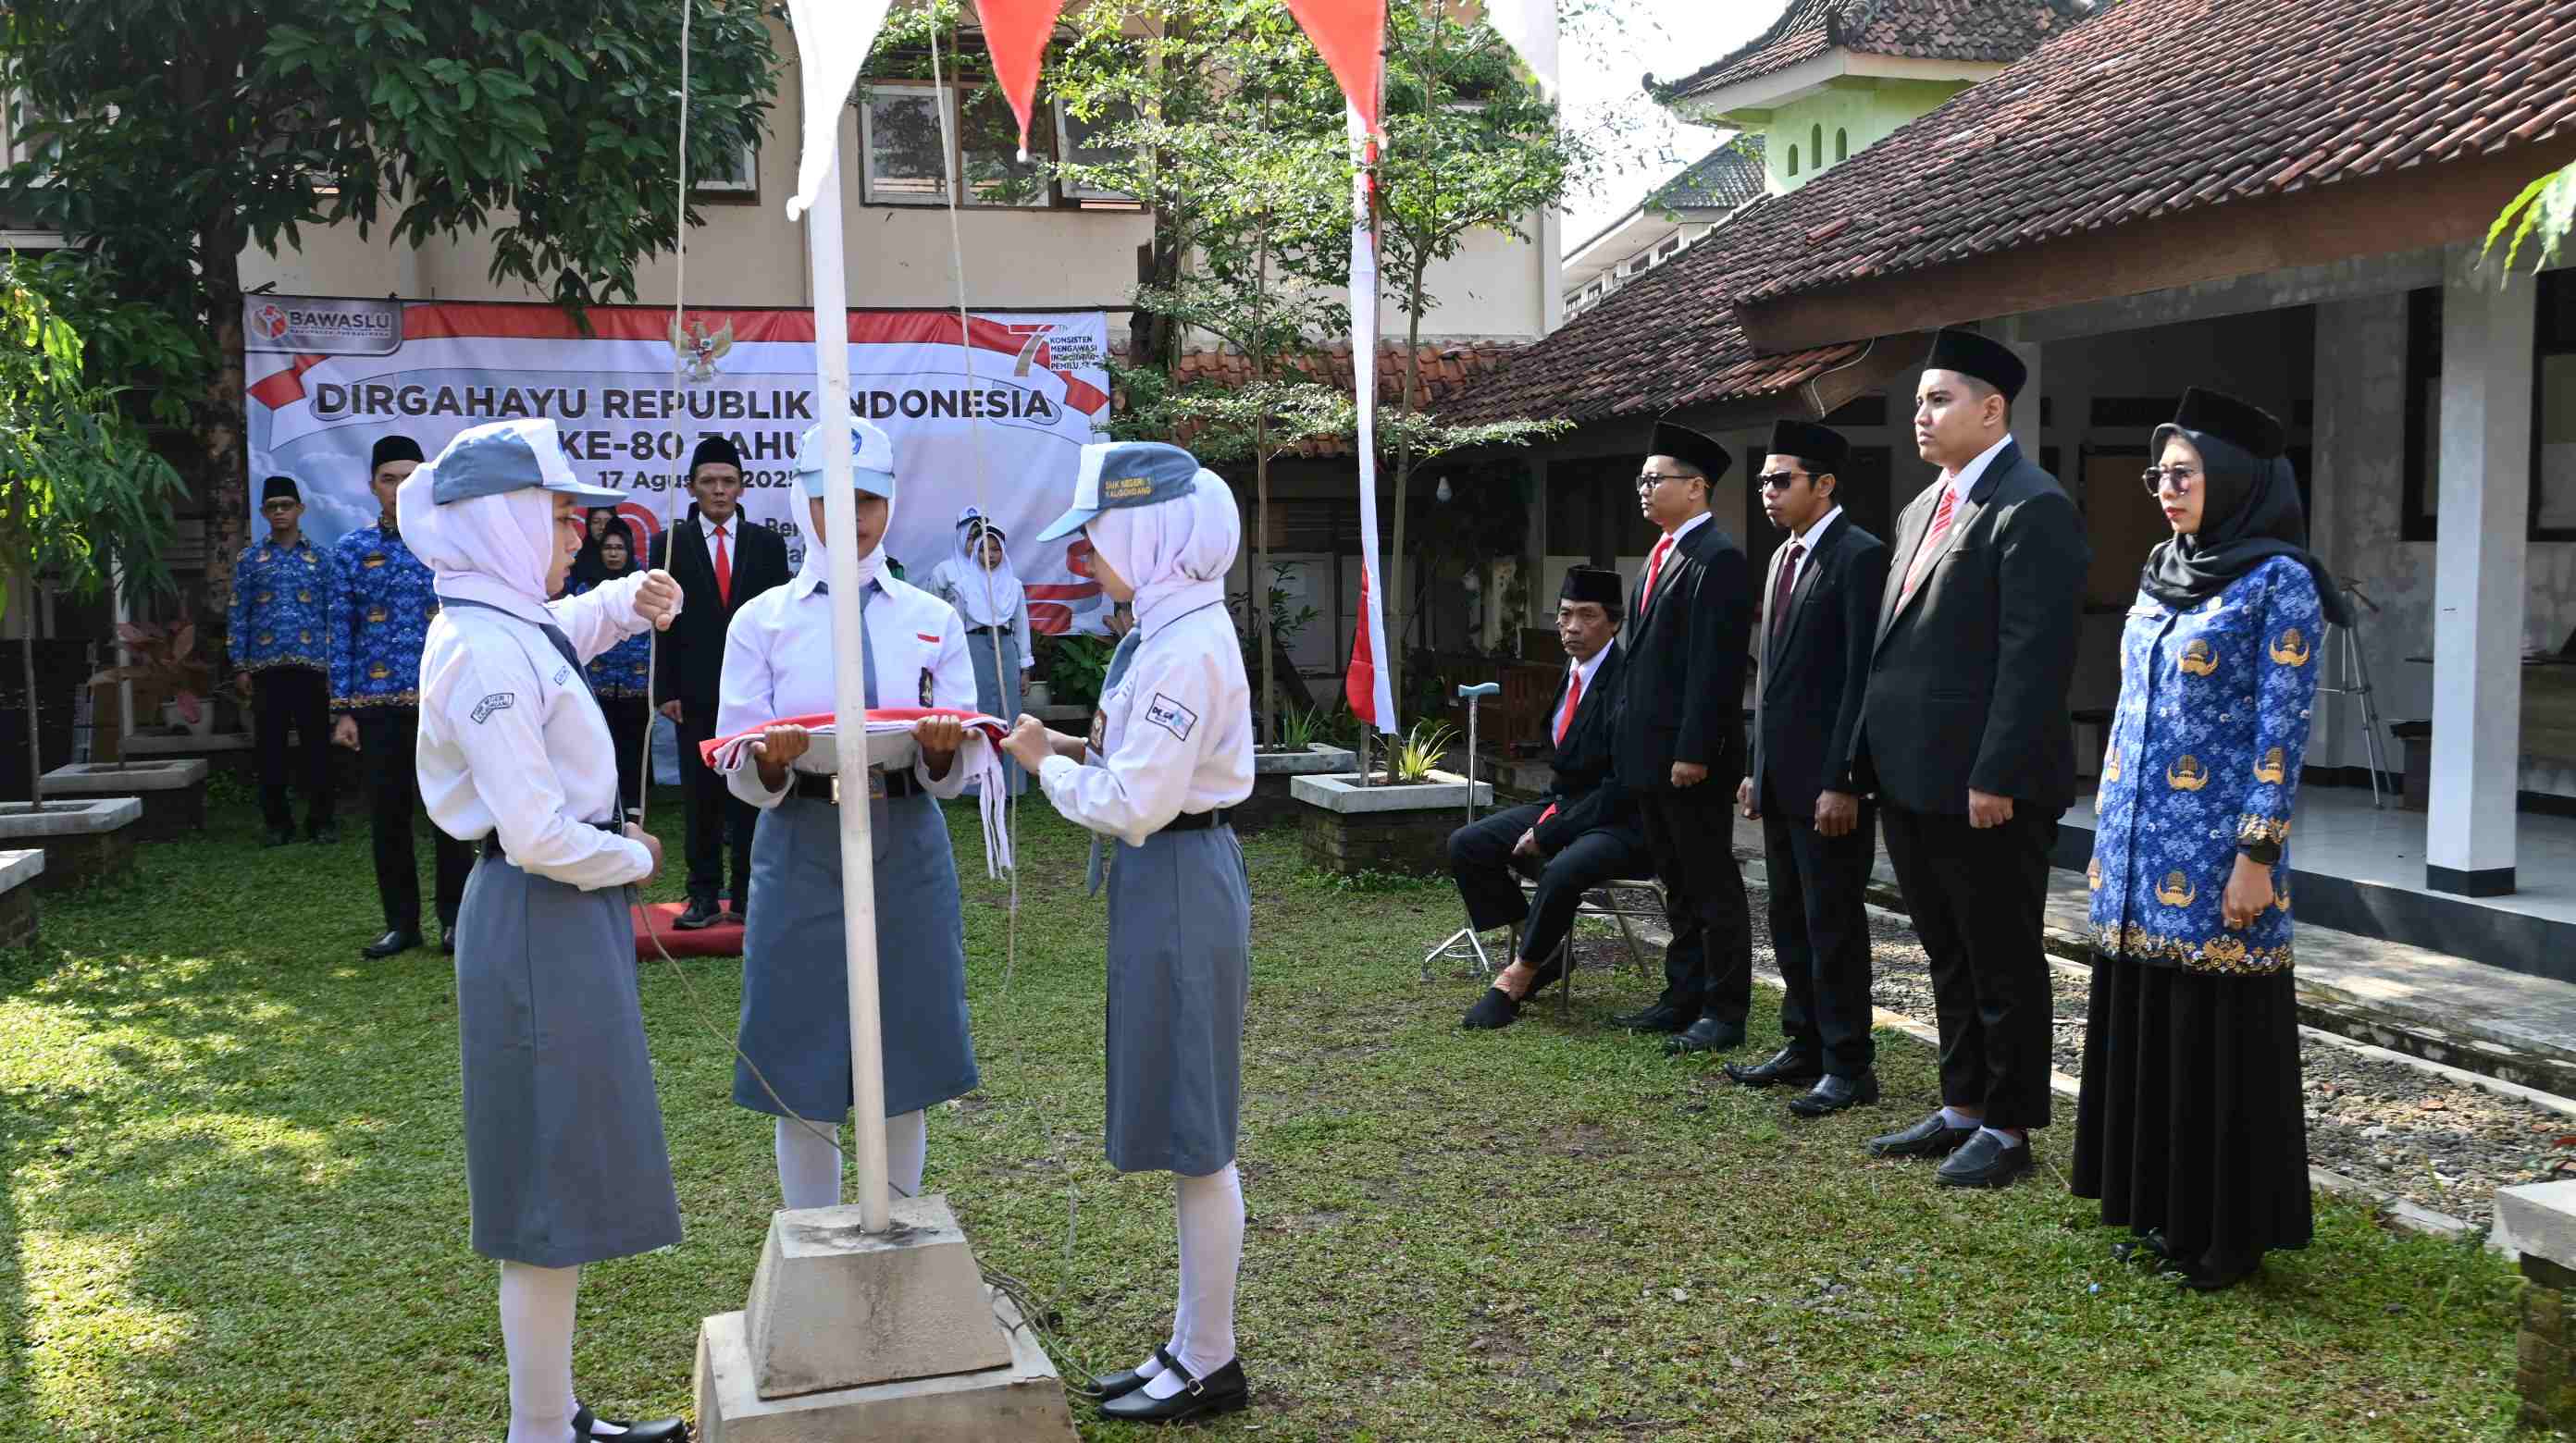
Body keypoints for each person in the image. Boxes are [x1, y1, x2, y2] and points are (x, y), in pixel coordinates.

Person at [402, 417, 688, 1443]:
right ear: (506, 522)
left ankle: (555, 1415)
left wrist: (629, 596)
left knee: (561, 1169)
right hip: (541, 906)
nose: (577, 533)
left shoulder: (504, 618)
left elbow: (568, 632)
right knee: (542, 1185)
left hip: (559, 913)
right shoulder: (480, 645)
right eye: (560, 516)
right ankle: (539, 1429)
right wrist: (635, 860)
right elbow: (534, 832)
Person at [999, 440, 1255, 1425]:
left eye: (1096, 540)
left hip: (1178, 872)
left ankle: (1210, 1358)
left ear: (1146, 533)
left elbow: (1136, 801)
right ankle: (1192, 1345)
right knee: (1185, 1123)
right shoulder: (1164, 629)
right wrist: (1066, 744)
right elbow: (1140, 757)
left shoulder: (1184, 643)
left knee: (1198, 1134)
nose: (1085, 562)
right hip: (1169, 877)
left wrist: (1041, 766)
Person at [2074, 388, 2339, 1290]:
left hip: (2221, 864)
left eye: (2181, 474)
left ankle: (2227, 1238)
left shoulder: (2280, 583)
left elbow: (2283, 728)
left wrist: (2257, 855)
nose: (2163, 489)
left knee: (2214, 1047)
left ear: (2229, 480)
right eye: (2158, 474)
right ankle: (2163, 1217)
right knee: (2155, 1037)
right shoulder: (2164, 567)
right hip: (2140, 856)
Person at [714, 419, 981, 1214]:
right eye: (834, 498)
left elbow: (960, 758)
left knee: (908, 1048)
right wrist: (768, 757)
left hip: (907, 842)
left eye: (869, 497)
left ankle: (901, 1224)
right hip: (799, 840)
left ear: (891, 503)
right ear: (803, 502)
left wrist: (938, 752)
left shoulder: (930, 615)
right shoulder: (760, 620)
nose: (854, 514)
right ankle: (811, 1238)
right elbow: (736, 755)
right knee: (801, 1051)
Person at [1856, 329, 2087, 1189]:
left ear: (1992, 409)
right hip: (1913, 776)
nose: (1921, 413)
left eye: (1939, 398)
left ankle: (2011, 1125)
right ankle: (1961, 1106)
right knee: (1944, 950)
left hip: (1985, 785)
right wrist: (1861, 762)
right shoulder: (1923, 508)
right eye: (1918, 399)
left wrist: (1996, 771)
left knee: (2001, 957)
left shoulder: (2032, 508)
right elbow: (1888, 652)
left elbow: (2034, 660)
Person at [1728, 420, 1891, 1116]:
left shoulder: (1859, 557)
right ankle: (1804, 1043)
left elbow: (1862, 679)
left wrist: (1845, 778)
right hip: (1781, 777)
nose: (1766, 491)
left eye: (1780, 479)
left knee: (1833, 923)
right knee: (1788, 916)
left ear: (1823, 484)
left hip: (1830, 784)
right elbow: (1773, 680)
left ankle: (1850, 1063)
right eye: (1763, 479)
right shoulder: (1782, 558)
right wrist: (1755, 767)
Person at [1604, 421, 1756, 1057]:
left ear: (1696, 489)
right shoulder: (1662, 554)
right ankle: (1682, 995)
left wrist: (1694, 751)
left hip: (1689, 759)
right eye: (1641, 478)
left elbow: (1713, 670)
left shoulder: (1716, 559)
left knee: (1710, 884)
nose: (1643, 488)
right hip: (1649, 755)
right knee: (1677, 884)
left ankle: (1724, 1011)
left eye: (1655, 479)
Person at [1451, 567, 1651, 1030]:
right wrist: (1552, 818)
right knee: (1468, 845)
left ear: (1615, 623)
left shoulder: (1628, 683)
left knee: (1562, 867)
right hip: (1567, 804)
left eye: (1587, 616)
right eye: (1564, 616)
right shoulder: (1572, 671)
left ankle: (1515, 980)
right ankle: (1548, 953)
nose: (1573, 627)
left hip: (1622, 819)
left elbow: (1623, 785)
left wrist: (1550, 830)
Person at [331, 434, 473, 959]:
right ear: (372, 486)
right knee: (388, 817)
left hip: (445, 702)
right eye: (389, 478)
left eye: (410, 477)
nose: (399, 488)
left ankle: (455, 920)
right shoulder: (351, 551)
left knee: (450, 814)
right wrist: (342, 709)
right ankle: (400, 924)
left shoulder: (452, 543)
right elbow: (339, 632)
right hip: (377, 707)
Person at [649, 435, 790, 931]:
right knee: (700, 800)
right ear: (692, 487)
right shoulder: (668, 544)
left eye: (728, 481)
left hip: (755, 695)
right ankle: (703, 895)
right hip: (694, 696)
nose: (719, 491)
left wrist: (782, 689)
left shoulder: (767, 545)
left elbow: (783, 623)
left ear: (742, 486)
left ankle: (752, 893)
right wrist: (665, 690)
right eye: (708, 482)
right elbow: (661, 622)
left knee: (750, 795)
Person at [228, 475, 337, 847]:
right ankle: (277, 824)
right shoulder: (250, 561)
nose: (279, 512)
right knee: (270, 750)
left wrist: (333, 665)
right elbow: (238, 613)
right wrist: (239, 665)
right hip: (266, 668)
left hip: (312, 668)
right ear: (263, 512)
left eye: (286, 505)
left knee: (317, 749)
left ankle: (321, 822)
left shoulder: (321, 559)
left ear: (300, 509)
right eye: (272, 507)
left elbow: (331, 614)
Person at [926, 506, 1034, 796]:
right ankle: (980, 786)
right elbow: (954, 624)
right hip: (974, 646)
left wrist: (1025, 667)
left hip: (1005, 646)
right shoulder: (962, 585)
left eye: (997, 550)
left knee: (1010, 713)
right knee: (980, 711)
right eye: (984, 549)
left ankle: (1011, 786)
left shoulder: (1014, 586)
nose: (991, 555)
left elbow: (1022, 627)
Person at [568, 520, 651, 820]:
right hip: (598, 684)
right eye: (608, 548)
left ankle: (633, 806)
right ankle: (604, 806)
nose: (614, 554)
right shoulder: (585, 587)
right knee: (601, 745)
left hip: (637, 682)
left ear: (628, 551)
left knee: (633, 747)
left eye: (619, 548)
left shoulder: (643, 589)